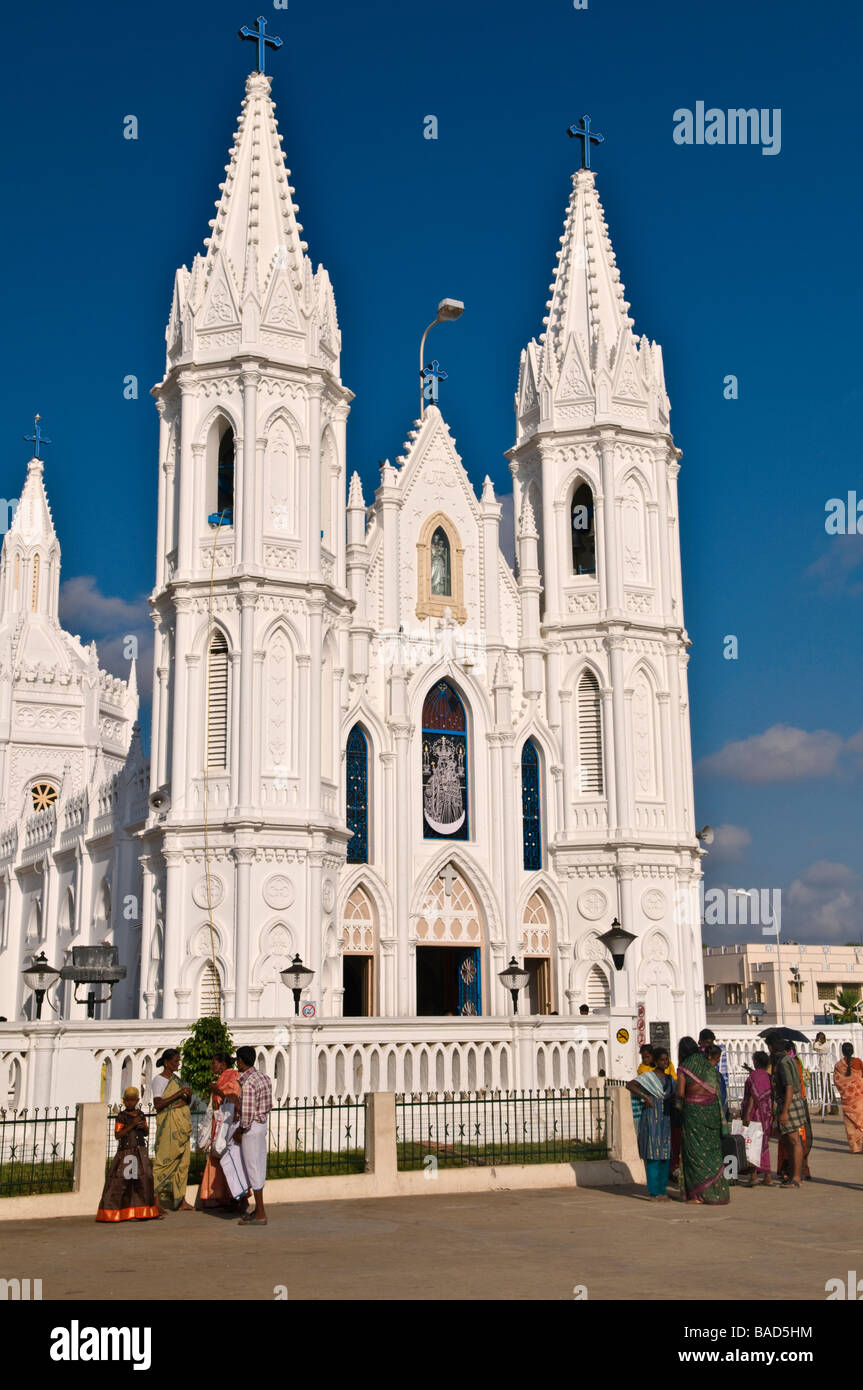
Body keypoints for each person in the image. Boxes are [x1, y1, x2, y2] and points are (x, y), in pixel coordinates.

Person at [676, 1035, 730, 1205]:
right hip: (713, 1112)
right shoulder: (708, 1065)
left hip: (694, 1113)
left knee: (695, 1153)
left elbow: (681, 1094)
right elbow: (716, 1090)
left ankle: (698, 1196)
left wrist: (678, 1106)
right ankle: (718, 1193)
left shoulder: (684, 1067)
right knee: (713, 1152)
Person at [96, 1087, 162, 1222]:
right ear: (124, 1101)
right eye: (128, 1101)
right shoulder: (122, 1116)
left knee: (144, 1179)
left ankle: (142, 1211)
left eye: (133, 1100)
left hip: (140, 1152)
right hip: (126, 1153)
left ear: (137, 1101)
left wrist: (144, 1128)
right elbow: (118, 1134)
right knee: (125, 1181)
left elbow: (146, 1133)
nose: (130, 1103)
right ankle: (123, 1211)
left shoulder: (141, 1114)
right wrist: (131, 1125)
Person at [197, 1052, 250, 1212]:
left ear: (222, 1064)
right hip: (220, 1125)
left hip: (228, 1127)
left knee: (231, 1162)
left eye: (214, 1063)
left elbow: (233, 1101)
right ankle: (228, 1198)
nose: (212, 1066)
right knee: (222, 1161)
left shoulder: (232, 1078)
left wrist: (218, 1092)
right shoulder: (222, 1078)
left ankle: (240, 1198)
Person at [627, 1046, 674, 1200]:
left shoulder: (669, 1080)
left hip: (665, 1120)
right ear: (655, 1060)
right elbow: (630, 1085)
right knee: (653, 1155)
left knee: (665, 1156)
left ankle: (662, 1190)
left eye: (667, 1059)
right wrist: (645, 1097)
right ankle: (654, 1192)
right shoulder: (648, 1077)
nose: (665, 1062)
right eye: (662, 1059)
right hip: (651, 1119)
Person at [151, 1048, 193, 1212]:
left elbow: (186, 1100)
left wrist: (187, 1095)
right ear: (167, 1063)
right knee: (164, 1162)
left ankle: (181, 1201)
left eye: (178, 1060)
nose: (178, 1063)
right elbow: (158, 1104)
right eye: (175, 1061)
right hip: (169, 1125)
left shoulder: (177, 1080)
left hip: (182, 1125)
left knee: (183, 1164)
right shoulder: (159, 1080)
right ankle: (155, 1201)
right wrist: (178, 1094)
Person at [235, 1045, 273, 1226]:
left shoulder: (249, 1083)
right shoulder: (263, 1077)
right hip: (262, 1125)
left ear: (241, 1061)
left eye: (238, 1061)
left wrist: (240, 1130)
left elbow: (247, 1114)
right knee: (259, 1166)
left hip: (251, 1129)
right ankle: (258, 1209)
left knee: (253, 1168)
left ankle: (261, 1213)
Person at [770, 1035, 806, 1189]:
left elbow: (789, 1087)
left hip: (788, 1103)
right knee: (790, 1141)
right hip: (791, 1101)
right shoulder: (788, 1060)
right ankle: (794, 1175)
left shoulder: (783, 1063)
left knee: (793, 1140)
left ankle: (796, 1177)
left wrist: (784, 1110)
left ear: (772, 1048)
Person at [741, 1051, 773, 1185]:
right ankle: (767, 1176)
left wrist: (747, 1114)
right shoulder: (767, 1076)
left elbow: (754, 1097)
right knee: (764, 1143)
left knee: (752, 1144)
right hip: (767, 1114)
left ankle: (753, 1175)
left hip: (755, 1113)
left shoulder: (754, 1076)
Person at [832, 1042, 863, 1154]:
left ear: (842, 1051)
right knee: (861, 1122)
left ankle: (855, 1147)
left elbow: (837, 1081)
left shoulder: (838, 1065)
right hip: (860, 1097)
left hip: (847, 1099)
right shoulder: (858, 1062)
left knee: (850, 1124)